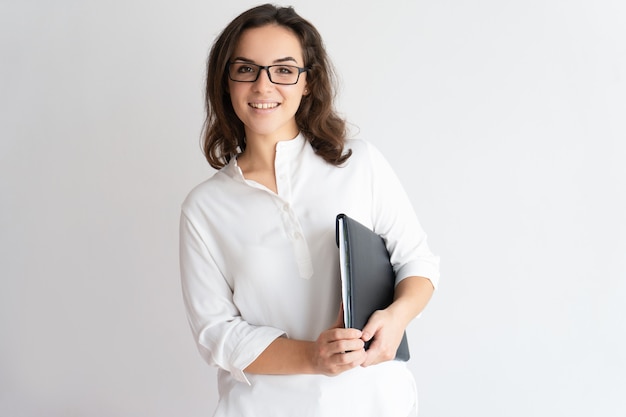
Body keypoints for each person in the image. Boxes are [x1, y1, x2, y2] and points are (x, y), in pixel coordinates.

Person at [179, 4, 440, 416]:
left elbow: (417, 261)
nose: (263, 86)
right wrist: (313, 358)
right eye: (246, 69)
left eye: (283, 70)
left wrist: (397, 316)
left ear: (308, 82)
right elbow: (216, 334)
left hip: (374, 401)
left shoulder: (361, 164)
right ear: (225, 82)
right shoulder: (205, 207)